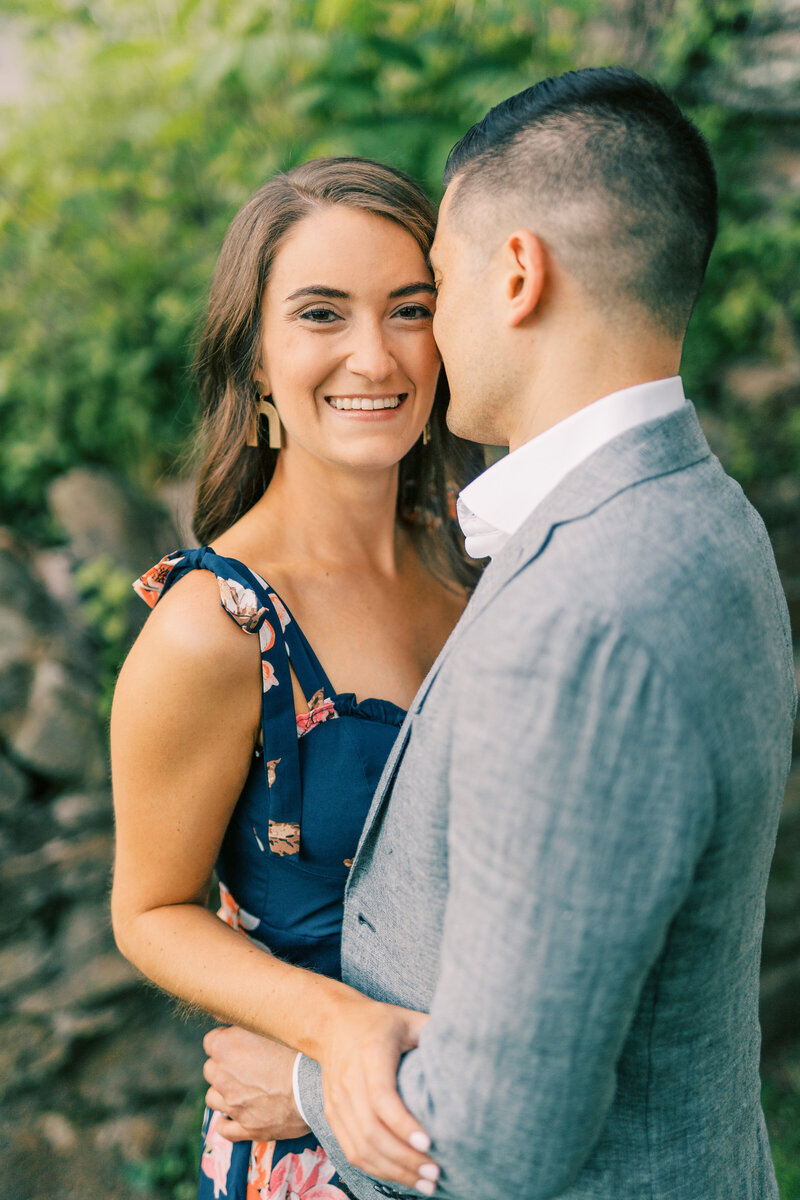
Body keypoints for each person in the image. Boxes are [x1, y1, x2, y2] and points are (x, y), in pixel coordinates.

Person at [202, 67, 798, 1199]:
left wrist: (305, 1086)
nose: (413, 342)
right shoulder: (707, 517)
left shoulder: (580, 618)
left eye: (431, 288)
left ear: (515, 274)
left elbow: (492, 1141)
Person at [109, 157, 486, 1200]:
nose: (373, 355)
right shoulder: (217, 630)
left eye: (408, 309)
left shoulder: (468, 565)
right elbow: (148, 909)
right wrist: (330, 1034)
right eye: (321, 313)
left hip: (494, 1111)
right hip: (318, 1142)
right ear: (257, 359)